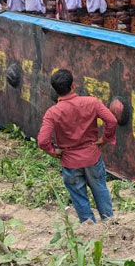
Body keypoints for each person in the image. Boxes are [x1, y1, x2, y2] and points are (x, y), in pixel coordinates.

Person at [37, 69, 118, 223]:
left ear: (55, 90)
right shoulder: (92, 102)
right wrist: (105, 139)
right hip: (92, 156)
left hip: (70, 161)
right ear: (73, 86)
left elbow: (42, 140)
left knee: (79, 197)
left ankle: (89, 228)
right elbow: (112, 121)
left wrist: (53, 151)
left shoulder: (52, 112)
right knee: (100, 189)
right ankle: (110, 223)